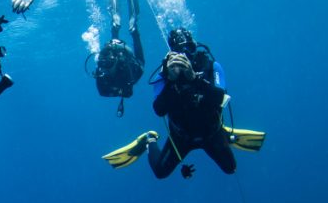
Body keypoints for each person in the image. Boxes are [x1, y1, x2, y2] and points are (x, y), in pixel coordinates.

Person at [101, 28, 264, 177]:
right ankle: (149, 140)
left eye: (190, 48)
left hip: (212, 132)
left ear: (195, 46)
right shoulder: (163, 75)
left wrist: (195, 78)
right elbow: (159, 110)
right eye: (181, 51)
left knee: (231, 168)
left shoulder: (212, 66)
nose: (187, 55)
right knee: (160, 172)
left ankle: (225, 133)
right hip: (181, 137)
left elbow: (219, 99)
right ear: (172, 53)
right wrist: (171, 80)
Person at [88, 0, 145, 117]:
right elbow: (106, 92)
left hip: (125, 60)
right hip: (115, 52)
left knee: (141, 64)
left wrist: (117, 90)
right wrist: (120, 90)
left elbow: (127, 93)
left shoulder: (121, 69)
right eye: (103, 66)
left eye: (107, 66)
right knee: (113, 48)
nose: (105, 69)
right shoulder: (102, 70)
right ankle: (127, 29)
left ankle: (129, 30)